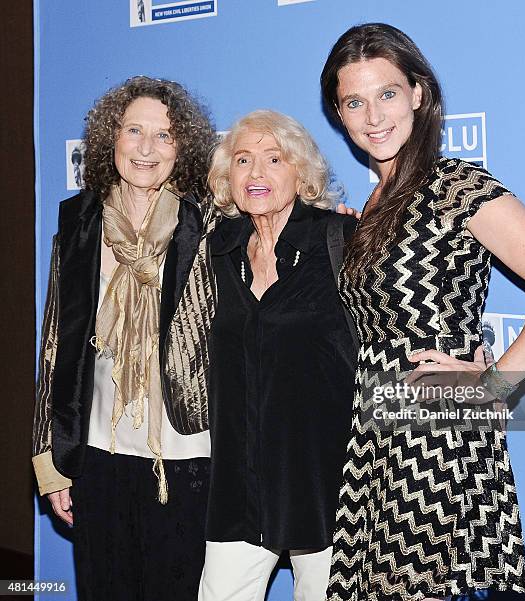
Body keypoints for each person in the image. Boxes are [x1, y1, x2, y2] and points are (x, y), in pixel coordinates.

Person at [320, 23, 525, 601]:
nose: (373, 116)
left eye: (388, 94)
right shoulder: (369, 204)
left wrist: (494, 384)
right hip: (373, 430)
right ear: (339, 113)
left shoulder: (452, 184)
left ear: (419, 94)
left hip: (434, 431)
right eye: (355, 101)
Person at [32, 76, 218, 601]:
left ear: (183, 148)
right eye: (134, 130)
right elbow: (54, 349)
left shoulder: (211, 223)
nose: (146, 148)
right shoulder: (78, 224)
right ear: (110, 138)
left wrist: (333, 229)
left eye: (164, 135)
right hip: (97, 452)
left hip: (187, 454)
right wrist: (51, 466)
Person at [199, 110, 357, 601]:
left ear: (301, 173)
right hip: (239, 485)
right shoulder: (217, 252)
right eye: (243, 160)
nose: (257, 173)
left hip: (327, 483)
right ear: (228, 177)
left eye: (274, 159)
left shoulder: (342, 241)